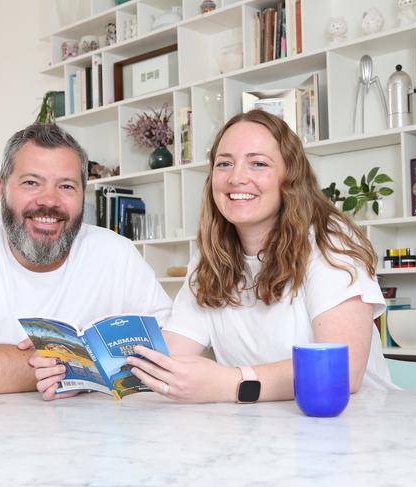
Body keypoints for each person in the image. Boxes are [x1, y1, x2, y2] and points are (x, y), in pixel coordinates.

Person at [123, 110, 395, 402]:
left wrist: (231, 383)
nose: (237, 178)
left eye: (258, 163)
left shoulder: (330, 241)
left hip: (355, 426)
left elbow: (341, 371)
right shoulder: (209, 258)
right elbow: (171, 355)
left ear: (289, 177)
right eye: (224, 163)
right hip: (262, 433)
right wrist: (90, 370)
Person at [0, 123, 171, 404]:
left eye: (66, 186)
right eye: (31, 183)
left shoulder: (116, 252)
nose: (49, 200)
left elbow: (171, 347)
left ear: (84, 194)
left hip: (70, 437)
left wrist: (76, 365)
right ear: (2, 189)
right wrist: (88, 361)